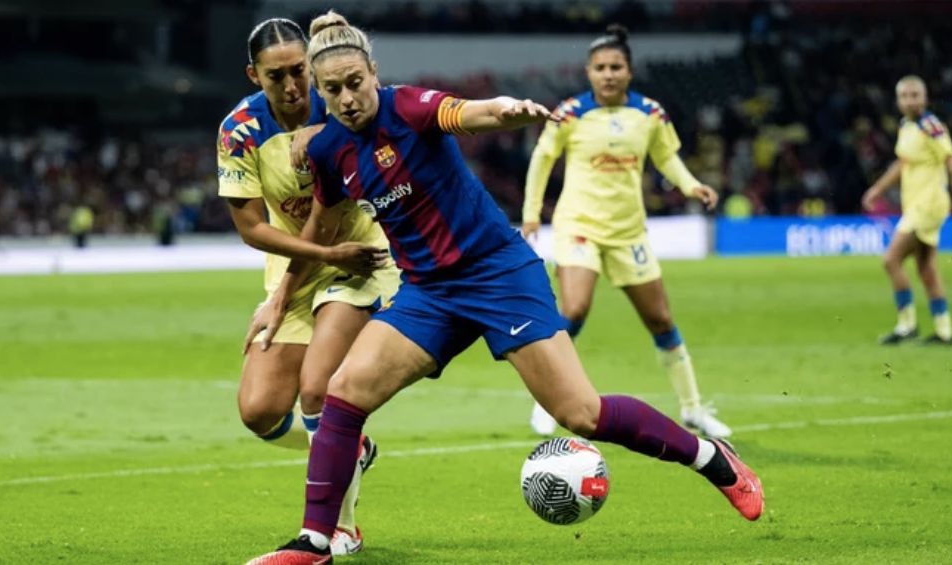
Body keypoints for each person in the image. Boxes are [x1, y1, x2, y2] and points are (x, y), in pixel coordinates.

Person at [246, 11, 764, 565]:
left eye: (355, 83)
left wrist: (506, 111)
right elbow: (321, 225)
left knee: (581, 413)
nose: (348, 98)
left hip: (498, 275)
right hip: (429, 294)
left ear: (374, 72)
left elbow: (468, 113)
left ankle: (711, 459)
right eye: (333, 90)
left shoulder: (409, 107)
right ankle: (317, 542)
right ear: (320, 94)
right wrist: (281, 296)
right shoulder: (327, 150)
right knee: (342, 393)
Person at [217, 17, 400, 556]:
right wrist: (282, 292)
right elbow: (253, 228)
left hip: (360, 255)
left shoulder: (339, 101)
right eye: (277, 77)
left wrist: (320, 131)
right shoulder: (240, 131)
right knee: (259, 411)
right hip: (302, 260)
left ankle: (340, 528)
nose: (293, 86)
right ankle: (351, 447)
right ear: (255, 75)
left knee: (320, 387)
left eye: (299, 71)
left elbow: (369, 95)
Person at [521, 24, 731, 439]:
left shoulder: (650, 114)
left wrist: (690, 185)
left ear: (629, 72)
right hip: (579, 226)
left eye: (616, 66)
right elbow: (542, 160)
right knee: (574, 309)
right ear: (589, 72)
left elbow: (666, 158)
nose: (609, 74)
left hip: (629, 232)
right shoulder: (568, 114)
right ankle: (550, 400)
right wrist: (531, 214)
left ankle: (692, 408)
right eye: (600, 67)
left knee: (660, 319)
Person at [862, 75, 952, 345]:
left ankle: (907, 324)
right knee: (926, 268)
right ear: (898, 101)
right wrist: (877, 189)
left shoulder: (930, 126)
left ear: (925, 98)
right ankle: (944, 331)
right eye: (905, 96)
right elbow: (902, 163)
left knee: (891, 260)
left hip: (928, 204)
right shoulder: (906, 126)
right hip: (917, 204)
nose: (910, 100)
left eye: (915, 95)